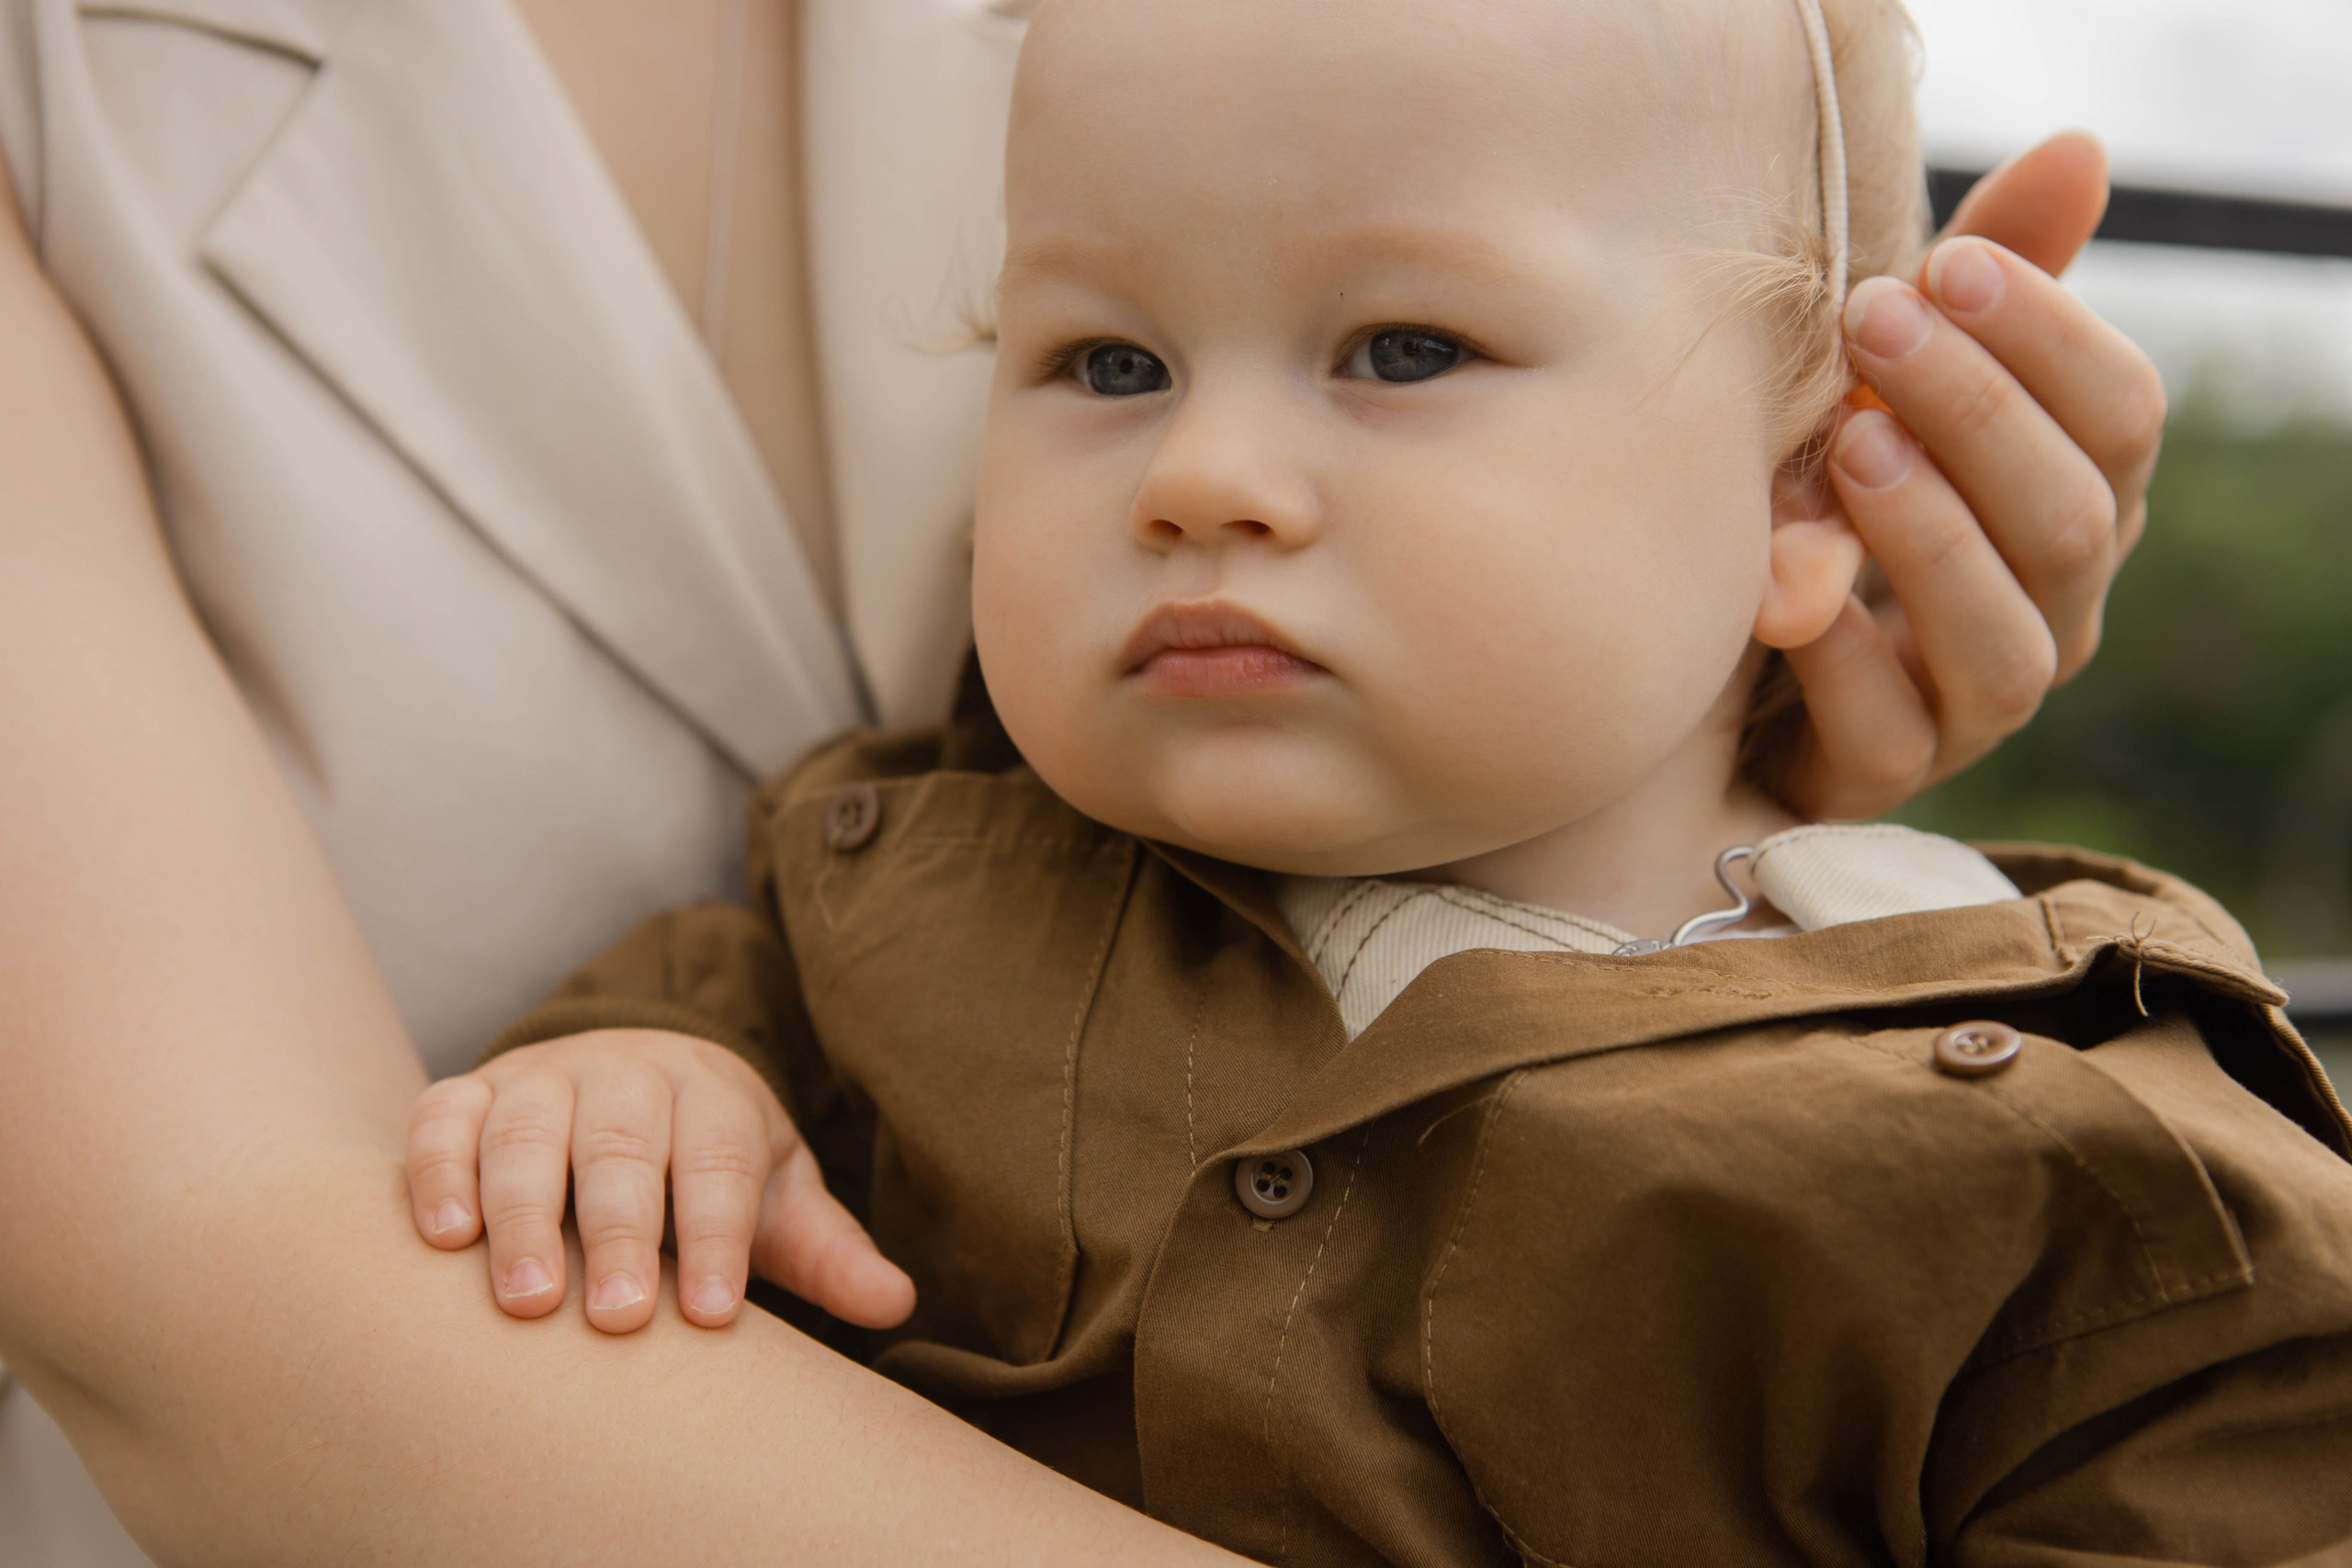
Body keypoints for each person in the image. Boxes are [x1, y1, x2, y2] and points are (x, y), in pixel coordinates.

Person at [0, 0, 2182, 1561]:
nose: (1205, 472)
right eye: (1103, 365)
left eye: (1400, 351)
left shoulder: (2066, 1109)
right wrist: (634, 1069)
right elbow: (226, 1281)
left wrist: (1684, 706)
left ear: (1817, 476)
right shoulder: (835, 924)